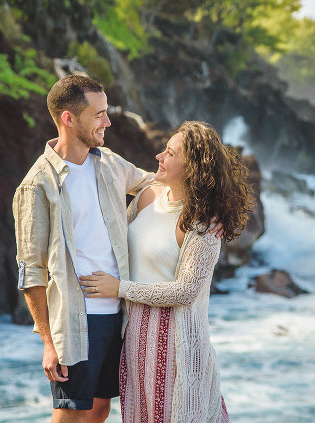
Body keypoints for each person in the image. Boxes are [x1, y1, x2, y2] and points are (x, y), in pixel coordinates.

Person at [79, 121, 253, 423]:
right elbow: (108, 175)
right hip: (135, 340)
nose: (159, 156)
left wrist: (120, 288)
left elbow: (186, 291)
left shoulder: (205, 223)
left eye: (170, 153)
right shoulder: (148, 196)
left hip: (177, 346)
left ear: (191, 168)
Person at [13, 75, 157, 423]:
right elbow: (31, 270)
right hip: (77, 320)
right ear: (68, 118)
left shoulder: (108, 163)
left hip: (120, 314)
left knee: (100, 408)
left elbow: (154, 185)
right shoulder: (36, 186)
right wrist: (48, 343)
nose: (107, 121)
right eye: (99, 114)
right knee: (69, 414)